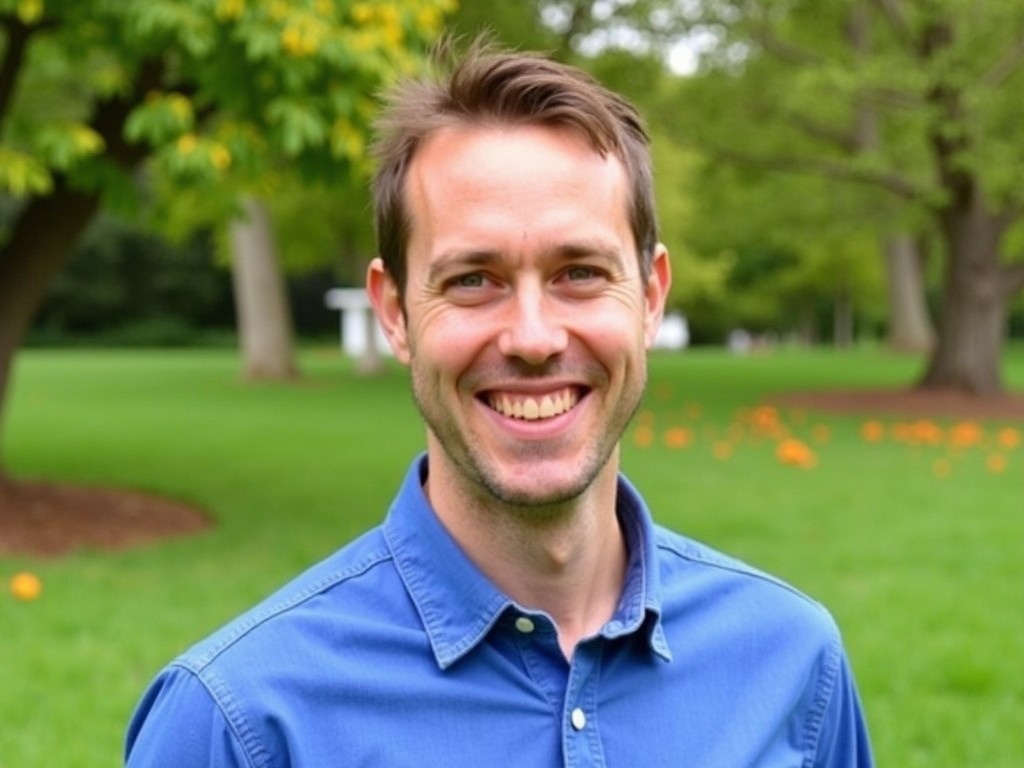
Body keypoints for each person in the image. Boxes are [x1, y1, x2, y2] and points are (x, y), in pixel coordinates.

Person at [125, 40, 874, 767]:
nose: (533, 337)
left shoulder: (792, 665)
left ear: (650, 296)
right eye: (472, 280)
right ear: (394, 313)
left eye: (579, 272)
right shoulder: (239, 723)